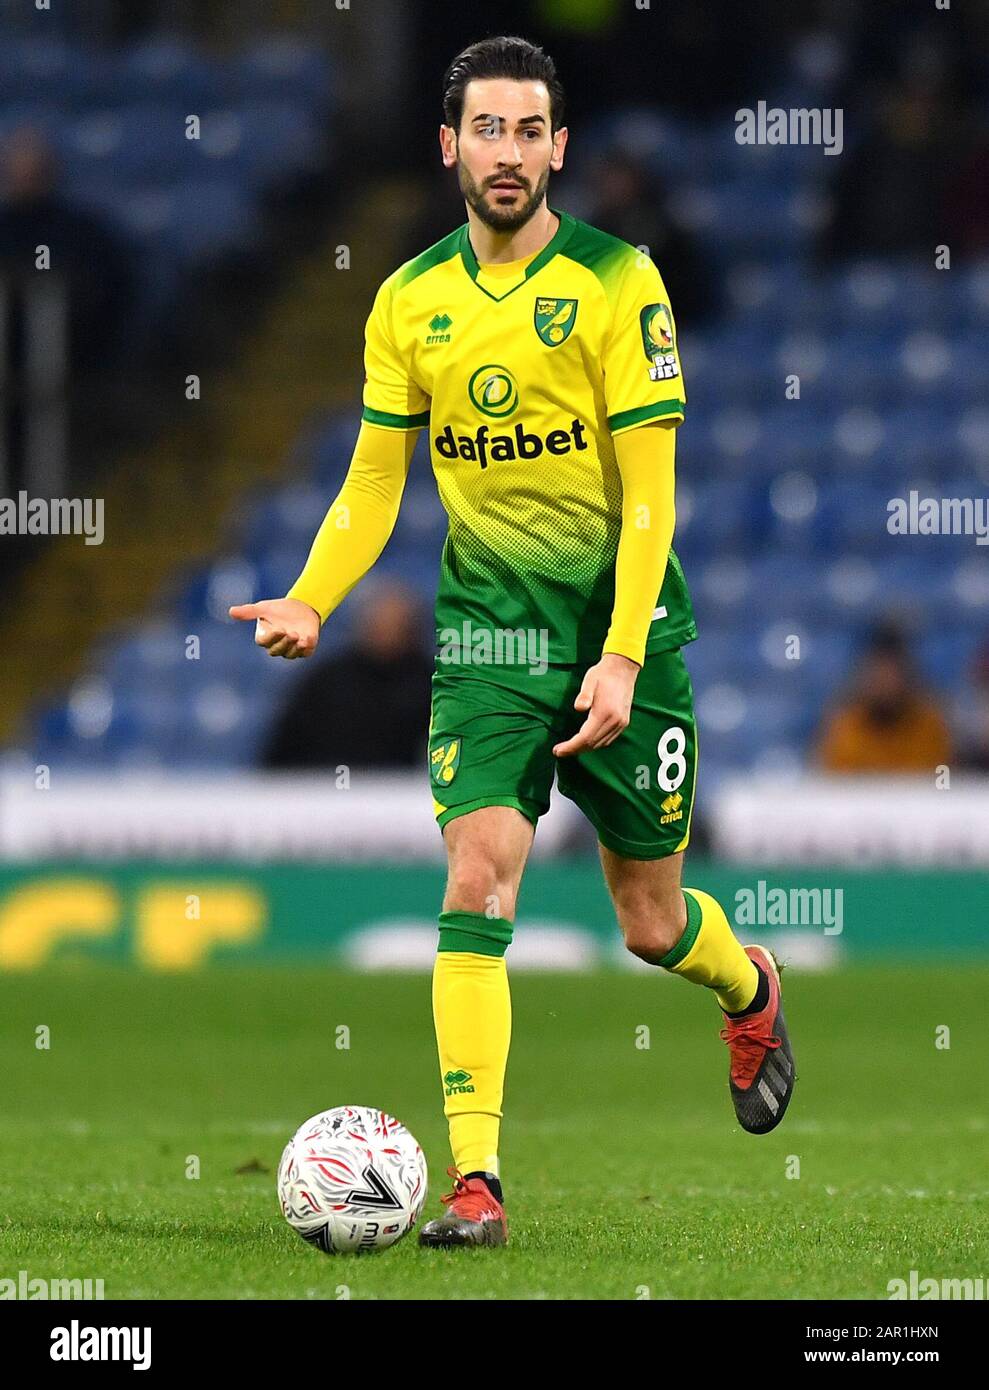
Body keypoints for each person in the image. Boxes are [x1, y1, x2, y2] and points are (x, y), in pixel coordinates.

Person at [231, 35, 796, 1249]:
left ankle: (747, 984)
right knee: (477, 876)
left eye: (529, 131)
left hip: (618, 635)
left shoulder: (614, 280)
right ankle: (474, 1180)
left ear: (558, 148)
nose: (507, 153)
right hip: (489, 638)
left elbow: (651, 497)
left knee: (649, 923)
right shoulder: (408, 299)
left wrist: (625, 654)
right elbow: (373, 481)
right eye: (485, 130)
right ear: (448, 146)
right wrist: (313, 597)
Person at [261, 580, 432, 770]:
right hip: (326, 788)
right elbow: (286, 744)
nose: (386, 631)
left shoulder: (430, 683)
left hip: (401, 792)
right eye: (379, 622)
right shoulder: (328, 679)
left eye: (396, 624)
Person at [816, 624, 952, 773]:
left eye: (891, 674)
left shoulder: (930, 727)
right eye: (878, 674)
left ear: (906, 676)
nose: (885, 682)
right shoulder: (844, 728)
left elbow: (940, 782)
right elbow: (834, 784)